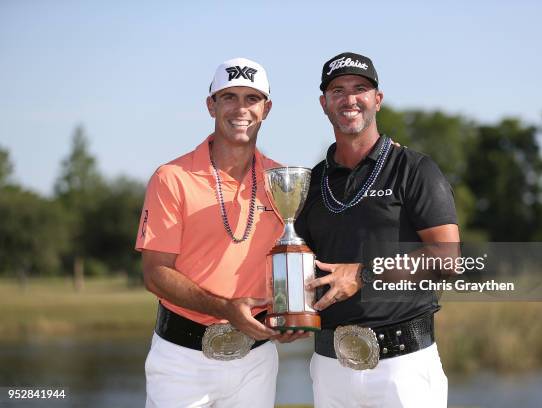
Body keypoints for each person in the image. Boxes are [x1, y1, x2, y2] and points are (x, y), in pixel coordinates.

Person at [135, 57, 305, 408]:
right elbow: (155, 274)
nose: (241, 108)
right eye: (229, 97)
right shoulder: (172, 177)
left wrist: (292, 313)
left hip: (256, 360)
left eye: (252, 99)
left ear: (267, 109)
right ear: (211, 105)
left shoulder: (282, 179)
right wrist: (226, 309)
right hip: (182, 359)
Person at [295, 52, 460, 407]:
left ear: (377, 100)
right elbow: (301, 263)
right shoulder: (311, 183)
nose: (349, 99)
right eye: (337, 90)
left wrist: (363, 275)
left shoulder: (414, 169)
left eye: (360, 88)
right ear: (324, 103)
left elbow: (448, 259)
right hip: (329, 366)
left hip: (402, 366)